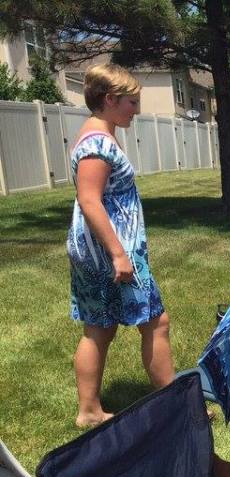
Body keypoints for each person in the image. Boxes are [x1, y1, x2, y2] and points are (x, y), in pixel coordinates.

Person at [68, 64, 175, 427]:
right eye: (132, 101)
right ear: (110, 99)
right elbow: (90, 200)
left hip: (99, 251)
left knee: (99, 326)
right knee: (156, 322)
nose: (137, 109)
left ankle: (89, 410)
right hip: (109, 253)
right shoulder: (98, 143)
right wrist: (118, 253)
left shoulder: (98, 134)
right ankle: (175, 404)